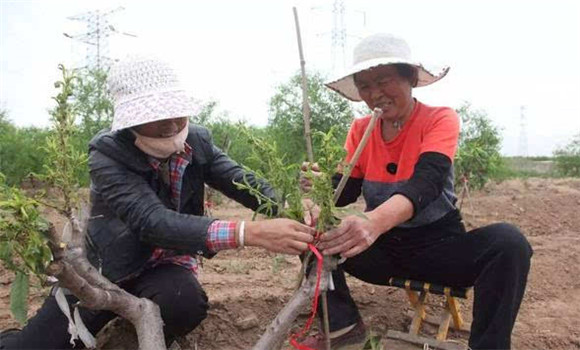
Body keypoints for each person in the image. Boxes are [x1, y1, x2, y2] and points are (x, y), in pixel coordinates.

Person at [0, 56, 315, 349]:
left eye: (177, 111)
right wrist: (251, 233)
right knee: (36, 345)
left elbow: (244, 183)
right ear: (129, 122)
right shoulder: (107, 155)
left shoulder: (197, 141)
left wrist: (296, 208)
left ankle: (125, 335)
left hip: (164, 266)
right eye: (155, 115)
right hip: (106, 268)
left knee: (184, 303)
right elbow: (151, 221)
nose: (172, 124)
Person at [300, 33, 532, 350]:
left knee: (509, 242)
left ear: (410, 77)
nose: (375, 94)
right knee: (307, 233)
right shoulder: (360, 130)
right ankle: (344, 327)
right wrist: (322, 187)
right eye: (365, 86)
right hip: (382, 252)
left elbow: (428, 181)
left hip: (439, 249)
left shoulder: (439, 119)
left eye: (383, 81)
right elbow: (345, 192)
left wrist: (374, 222)